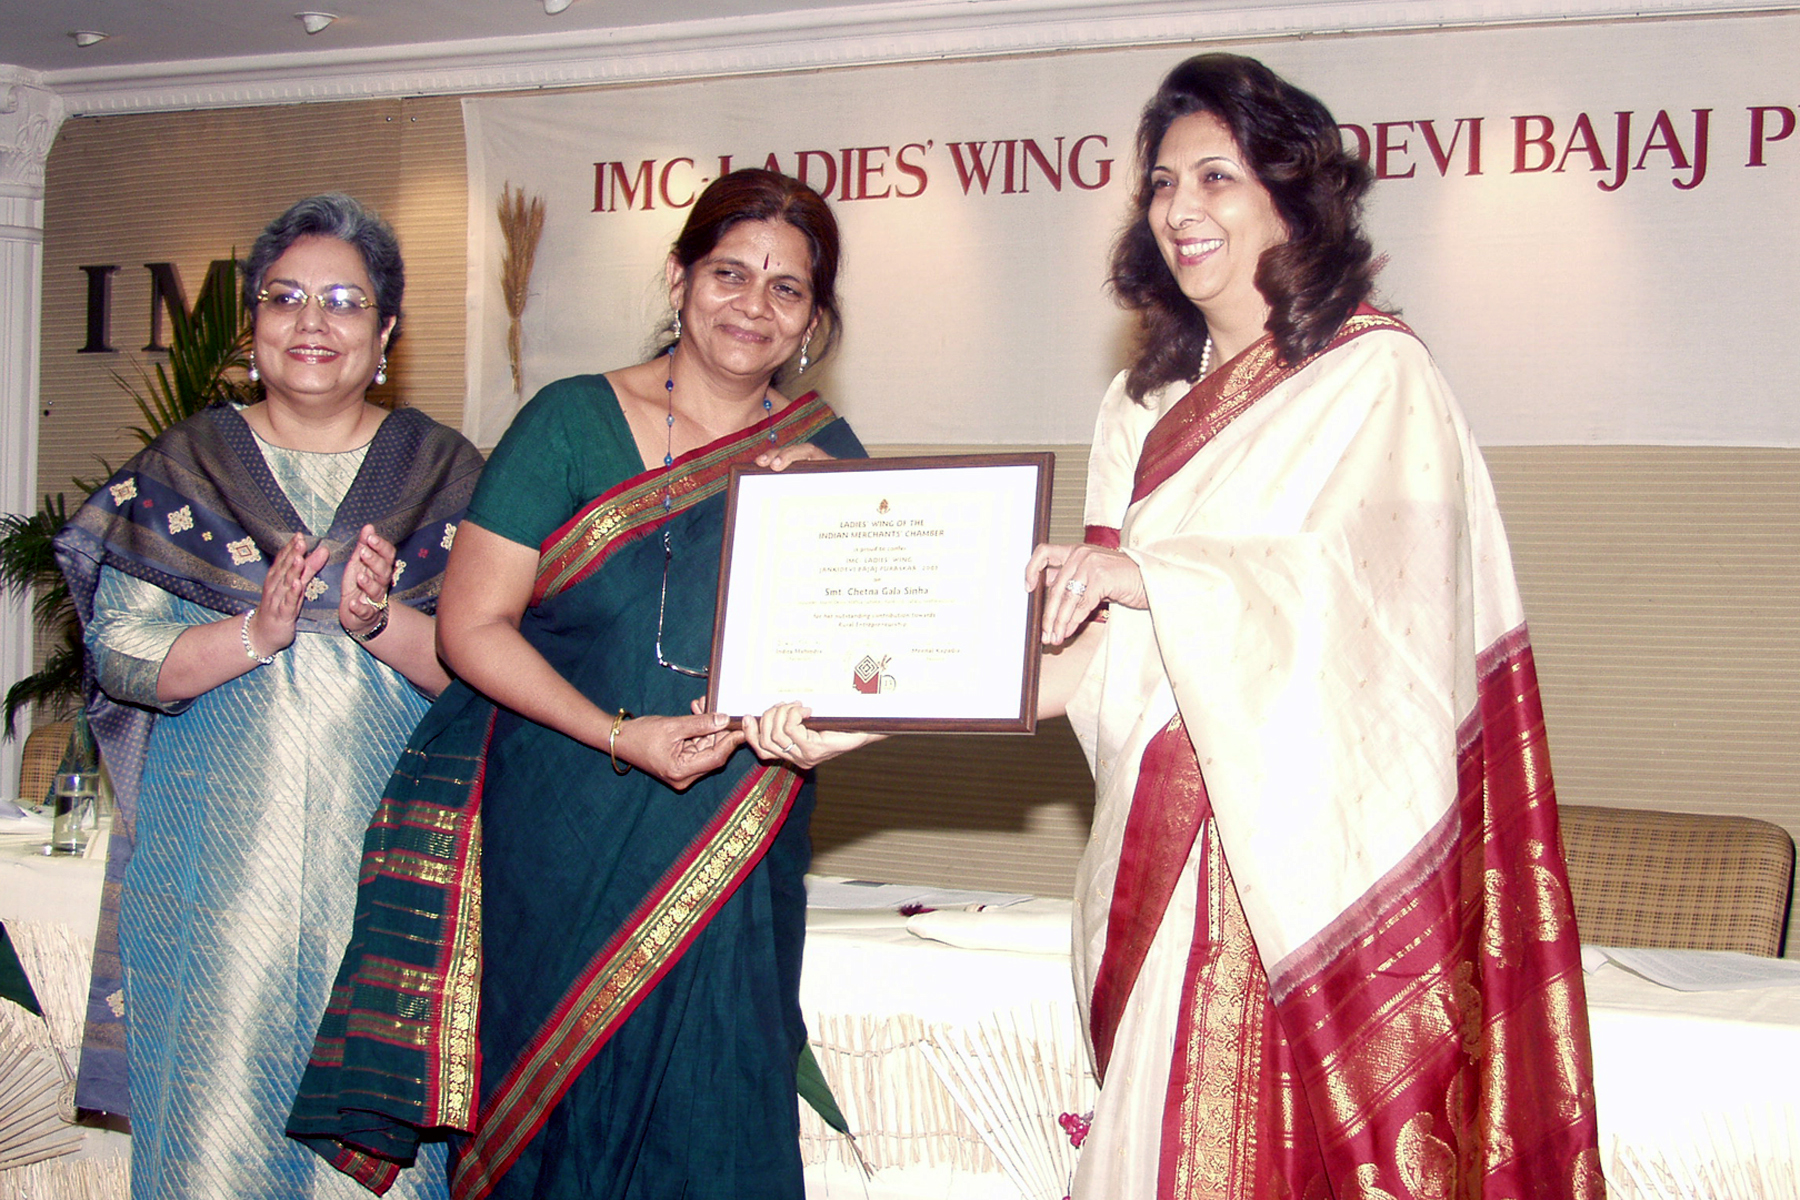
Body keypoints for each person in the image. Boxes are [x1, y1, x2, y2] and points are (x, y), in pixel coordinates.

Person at [1025, 55, 1605, 1197]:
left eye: (1217, 178)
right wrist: (878, 702)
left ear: (1294, 195)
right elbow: (1094, 646)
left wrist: (1169, 581)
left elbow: (1393, 621)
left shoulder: (1375, 377)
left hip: (1302, 859)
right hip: (1159, 839)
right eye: (1161, 183)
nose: (1181, 209)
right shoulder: (1138, 402)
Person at [287, 168, 874, 1200]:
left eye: (787, 289)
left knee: (716, 1115)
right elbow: (472, 629)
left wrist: (846, 509)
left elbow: (877, 660)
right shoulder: (568, 422)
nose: (753, 304)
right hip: (564, 833)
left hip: (734, 850)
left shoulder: (827, 455)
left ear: (814, 320)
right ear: (680, 277)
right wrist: (619, 733)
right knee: (551, 1124)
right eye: (729, 272)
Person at [55, 193, 484, 1199]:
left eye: (344, 301)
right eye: (285, 297)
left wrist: (379, 622)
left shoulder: (447, 477)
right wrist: (256, 633)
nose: (312, 323)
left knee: (374, 1156)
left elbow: (489, 670)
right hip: (214, 879)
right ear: (251, 325)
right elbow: (117, 651)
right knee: (214, 1137)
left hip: (387, 879)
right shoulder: (186, 469)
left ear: (385, 335)